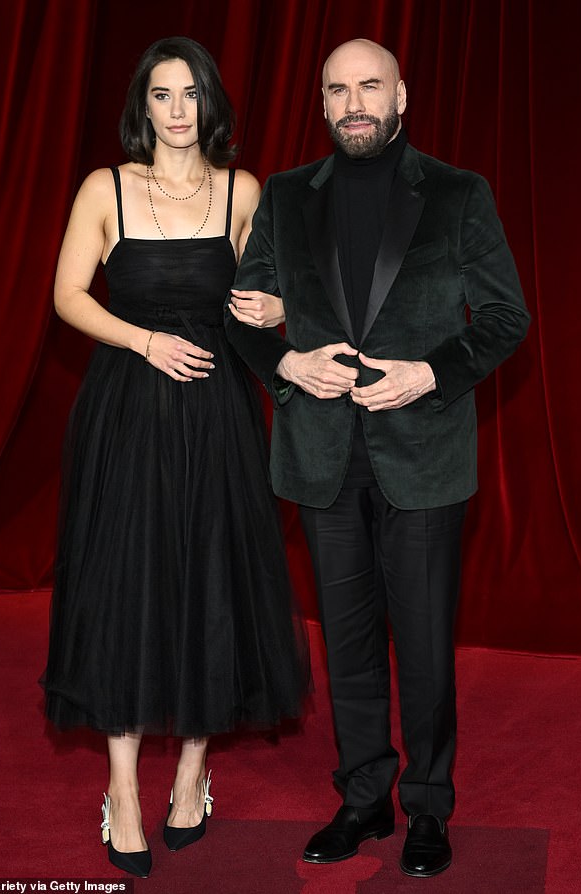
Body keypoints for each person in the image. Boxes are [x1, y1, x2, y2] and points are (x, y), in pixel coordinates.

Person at [226, 38, 530, 879]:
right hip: (323, 454)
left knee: (426, 643)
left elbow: (507, 318)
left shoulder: (460, 194)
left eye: (371, 86)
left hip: (423, 454)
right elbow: (240, 316)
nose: (354, 101)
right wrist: (286, 362)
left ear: (402, 97)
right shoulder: (286, 199)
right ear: (322, 104)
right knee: (349, 641)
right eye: (338, 89)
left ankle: (427, 807)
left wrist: (428, 372)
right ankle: (364, 800)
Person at [41, 36, 309, 879]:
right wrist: (144, 341)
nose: (180, 109)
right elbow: (67, 295)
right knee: (127, 583)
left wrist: (275, 308)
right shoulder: (105, 187)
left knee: (209, 583)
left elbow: (268, 300)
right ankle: (122, 789)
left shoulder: (243, 191)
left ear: (211, 104)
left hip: (220, 417)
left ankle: (191, 773)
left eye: (192, 93)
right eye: (163, 94)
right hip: (126, 412)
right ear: (143, 108)